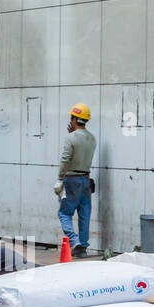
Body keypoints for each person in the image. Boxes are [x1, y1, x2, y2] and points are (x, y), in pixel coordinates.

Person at [55, 102, 97, 257]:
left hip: (71, 179)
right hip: (86, 179)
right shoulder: (92, 138)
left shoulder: (70, 138)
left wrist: (60, 179)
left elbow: (66, 159)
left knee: (64, 213)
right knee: (84, 214)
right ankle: (83, 248)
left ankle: (74, 240)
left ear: (73, 119)